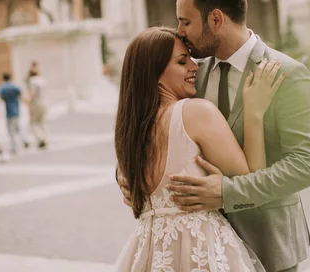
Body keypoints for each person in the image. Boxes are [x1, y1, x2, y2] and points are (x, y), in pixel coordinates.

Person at [118, 0, 310, 272]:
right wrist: (130, 175)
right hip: (198, 248)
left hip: (268, 242)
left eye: (185, 21)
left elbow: (306, 165)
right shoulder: (190, 74)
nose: (180, 31)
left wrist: (226, 193)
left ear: (215, 19)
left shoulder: (287, 75)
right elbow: (151, 121)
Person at [114, 27, 285, 271]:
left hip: (148, 252)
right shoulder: (195, 113)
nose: (194, 67)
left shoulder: (129, 134)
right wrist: (255, 113)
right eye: (182, 62)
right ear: (154, 73)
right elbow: (252, 180)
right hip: (200, 249)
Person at [0, 73, 30, 154]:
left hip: (9, 111)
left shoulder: (3, 88)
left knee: (11, 130)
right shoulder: (14, 86)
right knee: (17, 128)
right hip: (16, 110)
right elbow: (21, 96)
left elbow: (1, 99)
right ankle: (24, 140)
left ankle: (14, 147)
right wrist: (27, 103)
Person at [27, 69, 48, 148]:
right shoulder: (42, 80)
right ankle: (45, 138)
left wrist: (29, 102)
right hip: (44, 102)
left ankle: (40, 138)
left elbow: (33, 92)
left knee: (33, 123)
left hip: (36, 103)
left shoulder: (32, 81)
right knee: (42, 122)